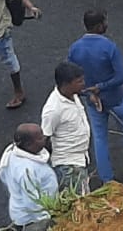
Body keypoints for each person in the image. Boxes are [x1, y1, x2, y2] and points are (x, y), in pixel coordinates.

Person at [66, 11, 123, 185]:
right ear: (99, 26)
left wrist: (89, 92)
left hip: (93, 101)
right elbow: (121, 77)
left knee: (100, 138)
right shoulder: (109, 47)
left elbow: (70, 77)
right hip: (116, 98)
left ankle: (107, 179)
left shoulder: (75, 49)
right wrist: (101, 87)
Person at [41, 62, 91, 195]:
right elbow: (44, 139)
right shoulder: (53, 110)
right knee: (79, 206)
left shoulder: (72, 94)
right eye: (79, 82)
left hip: (80, 159)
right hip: (68, 166)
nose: (83, 84)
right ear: (66, 84)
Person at [0, 124, 56, 231]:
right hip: (33, 220)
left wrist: (16, 193)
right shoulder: (26, 171)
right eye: (40, 138)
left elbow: (4, 177)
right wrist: (46, 219)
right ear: (29, 144)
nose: (44, 138)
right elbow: (31, 201)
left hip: (21, 211)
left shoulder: (11, 153)